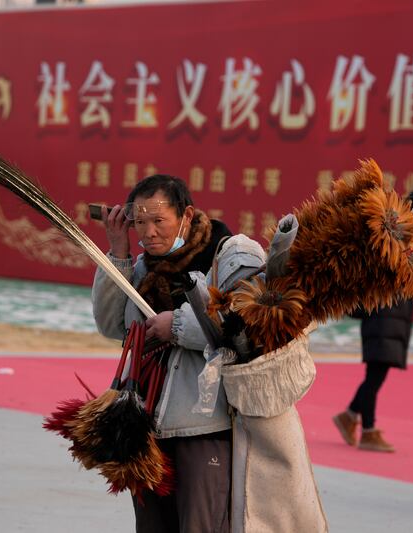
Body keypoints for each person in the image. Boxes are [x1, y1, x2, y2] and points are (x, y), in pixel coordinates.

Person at [91, 174, 260, 533]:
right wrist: (118, 252)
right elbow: (110, 325)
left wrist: (179, 326)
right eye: (139, 223)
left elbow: (251, 327)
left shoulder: (230, 254)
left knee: (201, 526)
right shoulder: (140, 268)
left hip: (206, 426)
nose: (149, 233)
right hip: (145, 427)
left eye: (158, 221)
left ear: (187, 214)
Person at [332, 172, 413, 453]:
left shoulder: (381, 242)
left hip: (388, 319)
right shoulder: (384, 242)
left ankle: (352, 417)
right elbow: (404, 217)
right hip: (384, 319)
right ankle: (366, 429)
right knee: (375, 377)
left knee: (375, 375)